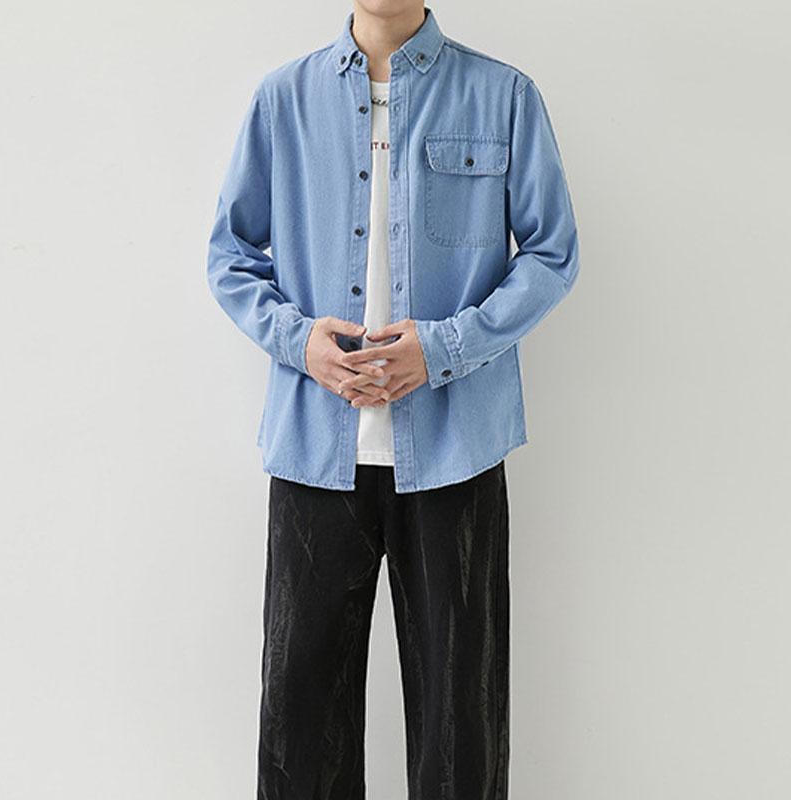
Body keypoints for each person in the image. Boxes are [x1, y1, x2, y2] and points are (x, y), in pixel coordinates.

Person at [207, 2, 580, 797]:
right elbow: (230, 254)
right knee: (300, 724)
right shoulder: (283, 99)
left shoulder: (503, 95)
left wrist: (444, 349)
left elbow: (552, 253)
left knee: (461, 721)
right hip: (315, 450)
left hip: (455, 451)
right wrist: (299, 342)